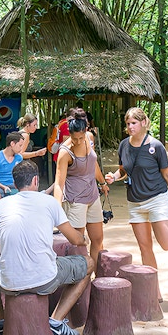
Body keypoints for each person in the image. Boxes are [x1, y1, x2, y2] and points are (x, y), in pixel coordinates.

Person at [0, 160, 94, 335]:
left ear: (14, 183)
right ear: (36, 180)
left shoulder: (0, 205)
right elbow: (75, 240)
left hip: (8, 282)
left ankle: (0, 321)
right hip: (46, 280)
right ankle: (56, 322)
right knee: (89, 263)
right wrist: (84, 238)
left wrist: (5, 251)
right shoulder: (50, 202)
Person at [105, 107, 168, 301]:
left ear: (143, 122)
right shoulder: (123, 146)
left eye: (134, 123)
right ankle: (154, 291)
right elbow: (123, 170)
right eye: (128, 124)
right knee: (145, 248)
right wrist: (113, 176)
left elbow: (167, 174)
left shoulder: (156, 146)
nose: (130, 127)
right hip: (135, 203)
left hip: (157, 198)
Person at [53, 110, 109, 271]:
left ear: (86, 132)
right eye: (74, 138)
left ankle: (96, 277)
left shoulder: (89, 139)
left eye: (80, 138)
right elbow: (59, 182)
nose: (77, 141)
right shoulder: (65, 151)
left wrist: (102, 182)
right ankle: (80, 280)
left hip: (92, 196)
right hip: (75, 200)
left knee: (97, 239)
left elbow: (94, 164)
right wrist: (57, 207)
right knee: (79, 243)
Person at [0, 131, 25, 206]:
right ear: (12, 144)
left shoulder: (19, 158)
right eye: (20, 145)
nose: (21, 149)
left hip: (15, 185)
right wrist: (3, 187)